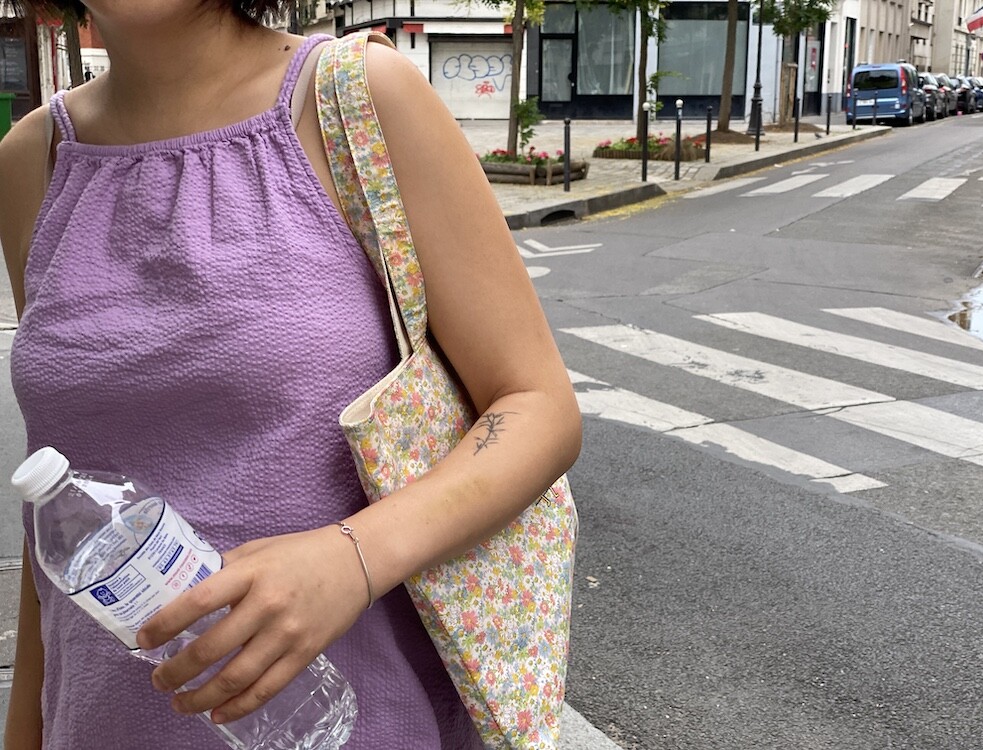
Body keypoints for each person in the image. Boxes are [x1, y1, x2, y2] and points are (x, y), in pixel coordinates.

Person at [0, 1, 582, 748]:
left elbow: (537, 404)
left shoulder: (358, 98)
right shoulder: (33, 159)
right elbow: (60, 513)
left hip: (354, 722)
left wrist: (354, 558)